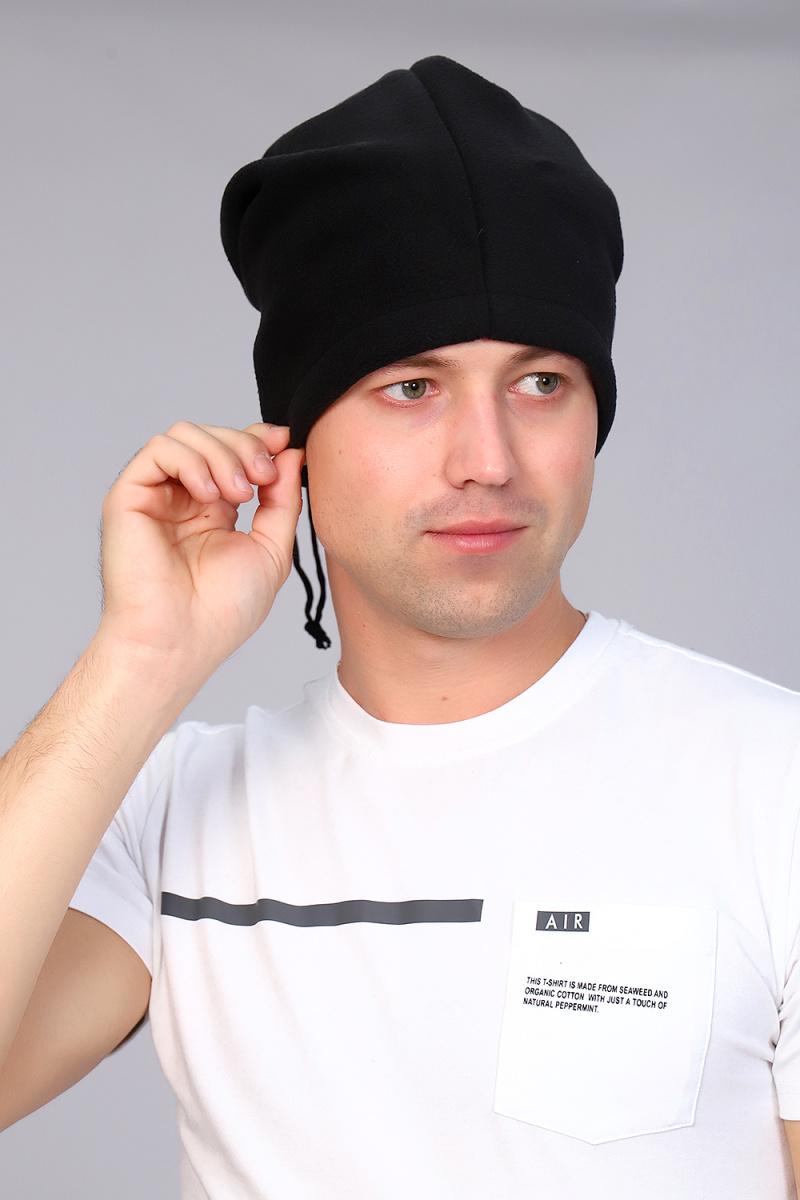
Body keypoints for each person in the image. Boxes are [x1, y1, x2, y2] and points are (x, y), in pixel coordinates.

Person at [1, 54, 799, 1200]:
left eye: (539, 382)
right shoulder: (171, 815)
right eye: (410, 388)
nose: (486, 460)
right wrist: (136, 661)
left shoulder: (769, 785)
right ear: (293, 442)